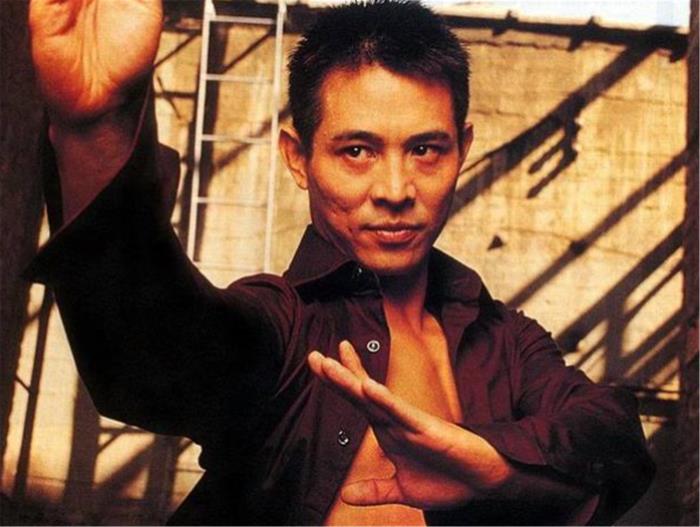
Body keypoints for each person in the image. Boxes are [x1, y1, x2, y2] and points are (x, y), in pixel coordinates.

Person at [27, 0, 654, 524]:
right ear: (298, 158)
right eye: (357, 151)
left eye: (426, 150)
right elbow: (153, 354)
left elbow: (615, 435)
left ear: (462, 149)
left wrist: (494, 466)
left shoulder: (506, 342)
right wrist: (96, 130)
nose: (395, 189)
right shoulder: (284, 325)